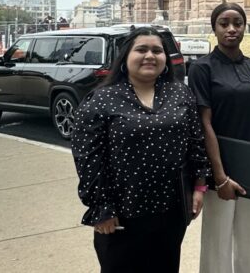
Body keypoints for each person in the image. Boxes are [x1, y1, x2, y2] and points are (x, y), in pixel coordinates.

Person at [71, 26, 208, 273]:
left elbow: (195, 142)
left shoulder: (179, 92)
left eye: (157, 50)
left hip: (171, 211)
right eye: (141, 49)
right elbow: (88, 158)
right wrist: (101, 208)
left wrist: (199, 186)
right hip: (122, 215)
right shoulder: (102, 99)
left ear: (166, 59)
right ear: (125, 57)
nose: (150, 56)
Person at [188, 3, 250, 273]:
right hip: (220, 169)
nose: (232, 29)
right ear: (214, 28)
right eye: (224, 23)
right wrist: (220, 176)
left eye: (237, 23)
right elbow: (205, 123)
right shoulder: (202, 68)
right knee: (217, 243)